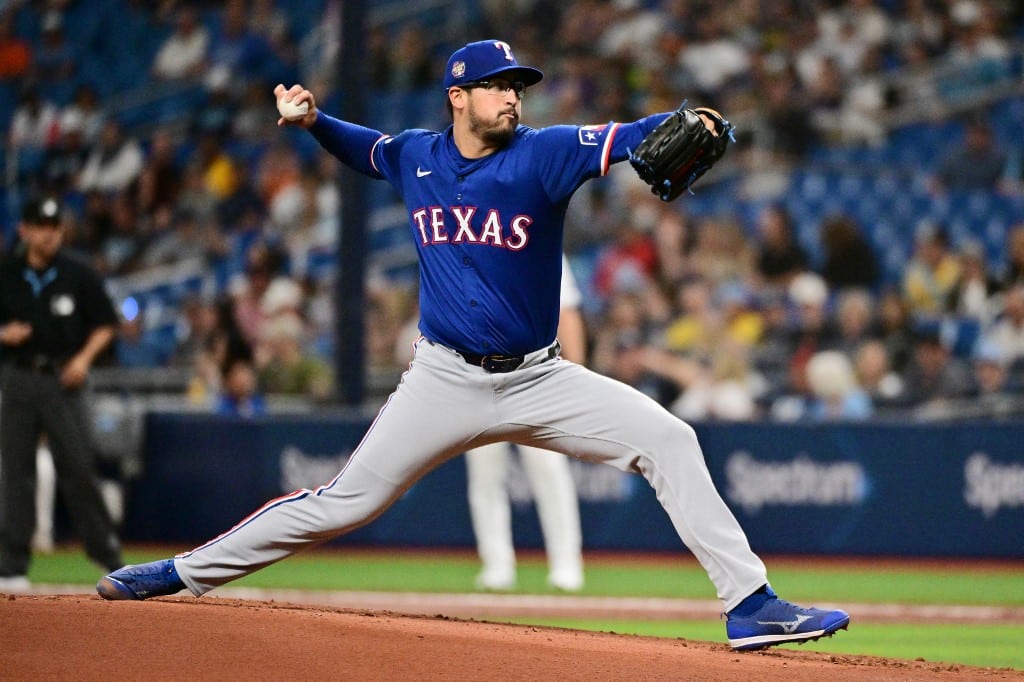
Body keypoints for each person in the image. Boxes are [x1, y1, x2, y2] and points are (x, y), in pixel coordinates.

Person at [96, 39, 849, 652]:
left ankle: (749, 604)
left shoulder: (544, 152)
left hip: (541, 378)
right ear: (458, 96)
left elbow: (625, 137)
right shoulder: (418, 156)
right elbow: (368, 150)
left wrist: (692, 119)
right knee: (340, 504)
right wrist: (315, 121)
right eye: (496, 86)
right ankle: (181, 573)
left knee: (670, 437)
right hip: (444, 379)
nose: (512, 96)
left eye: (517, 85)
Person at [0, 195, 125, 591]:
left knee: (78, 467)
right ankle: (11, 566)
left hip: (64, 379)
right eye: (40, 226)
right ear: (25, 230)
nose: (49, 234)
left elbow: (106, 323)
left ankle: (108, 558)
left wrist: (84, 359)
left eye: (54, 227)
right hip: (18, 377)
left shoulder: (78, 274)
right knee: (15, 472)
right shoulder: (6, 272)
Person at [465, 255, 585, 592]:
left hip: (536, 376)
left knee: (549, 470)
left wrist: (576, 375)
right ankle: (496, 565)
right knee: (486, 477)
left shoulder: (542, 237)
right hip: (480, 377)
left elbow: (568, 311)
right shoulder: (469, 241)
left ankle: (566, 565)